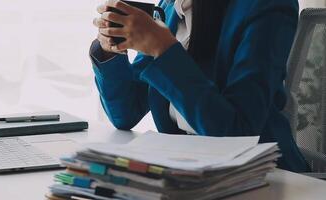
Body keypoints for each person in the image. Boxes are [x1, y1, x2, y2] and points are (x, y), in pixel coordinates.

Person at [89, 0, 310, 172]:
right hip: (190, 170)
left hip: (263, 176)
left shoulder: (268, 5)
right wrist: (109, 51)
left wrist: (163, 49)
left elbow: (239, 134)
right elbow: (125, 114)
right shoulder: (173, 7)